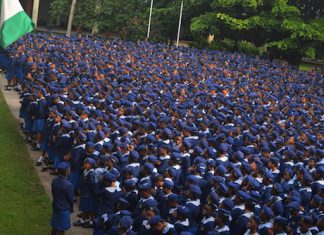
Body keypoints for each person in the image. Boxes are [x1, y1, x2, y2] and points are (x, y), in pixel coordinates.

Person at [50, 161, 74, 235]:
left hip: (56, 205)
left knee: (55, 225)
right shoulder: (68, 185)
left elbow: (53, 193)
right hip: (64, 208)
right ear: (66, 172)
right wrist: (71, 207)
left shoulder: (54, 181)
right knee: (61, 228)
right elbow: (70, 199)